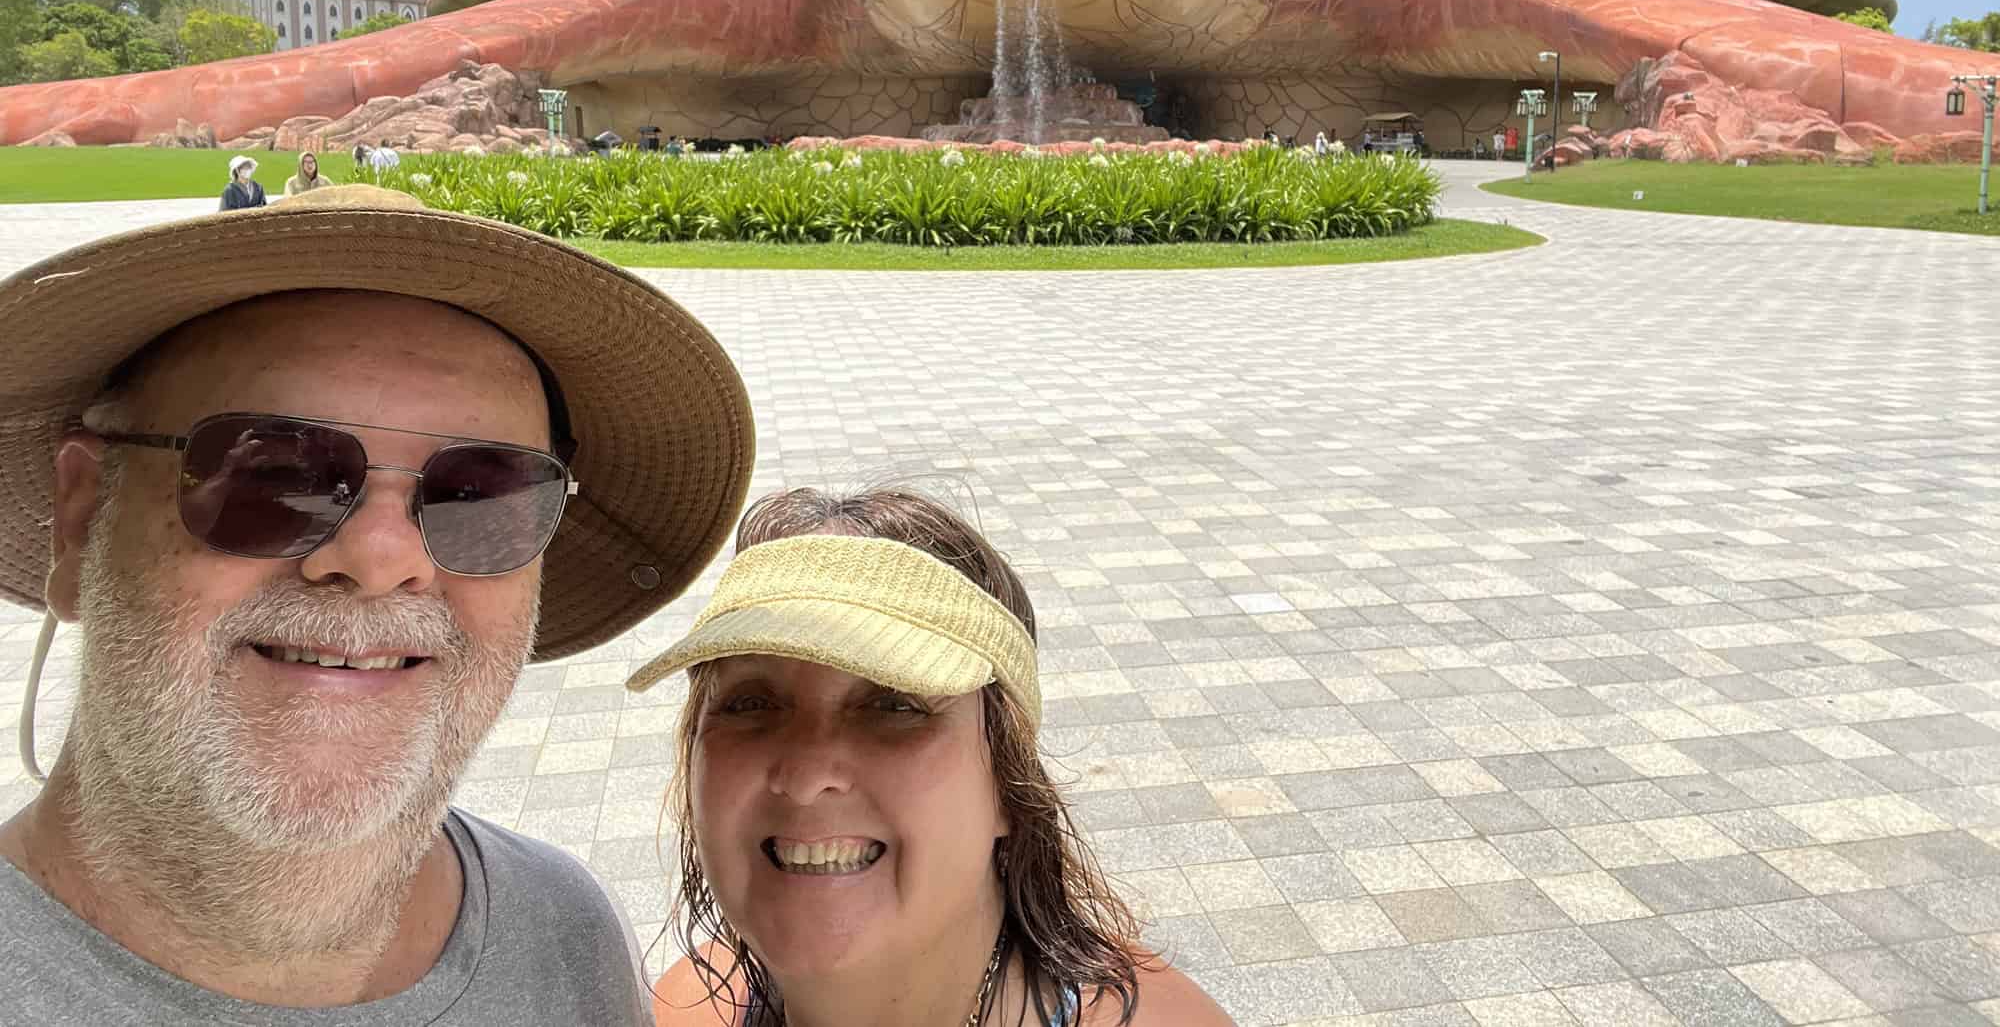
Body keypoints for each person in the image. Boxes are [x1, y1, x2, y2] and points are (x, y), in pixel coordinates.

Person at [0, 183, 757, 1023]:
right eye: (275, 476)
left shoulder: (566, 937)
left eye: (478, 494)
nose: (380, 558)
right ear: (81, 518)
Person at [633, 487, 1235, 1027]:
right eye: (751, 703)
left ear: (1007, 780)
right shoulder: (676, 1009)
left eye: (894, 706)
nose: (807, 775)